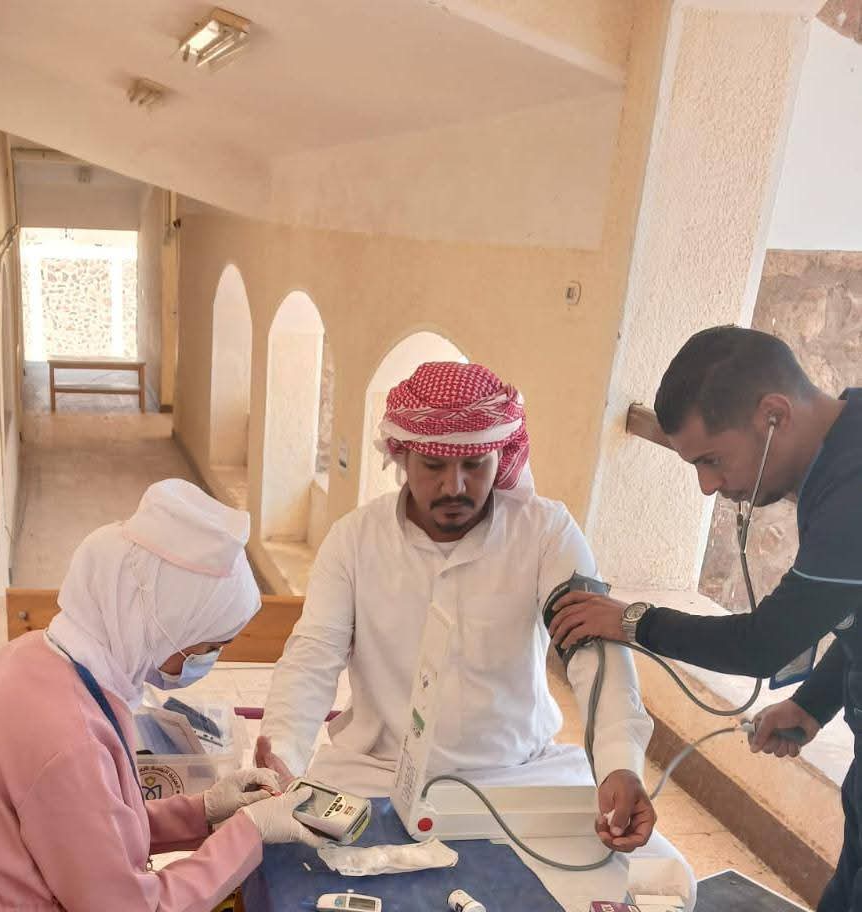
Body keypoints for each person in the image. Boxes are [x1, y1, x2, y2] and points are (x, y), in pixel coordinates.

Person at [255, 361, 686, 864]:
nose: (454, 486)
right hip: (375, 772)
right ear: (401, 455)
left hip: (518, 772)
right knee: (292, 865)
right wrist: (282, 752)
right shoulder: (354, 540)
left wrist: (619, 764)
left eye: (475, 465)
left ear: (501, 456)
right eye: (434, 466)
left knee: (656, 876)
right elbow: (313, 656)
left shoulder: (546, 533)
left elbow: (594, 653)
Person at [548, 326, 862, 911]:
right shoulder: (842, 453)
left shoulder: (854, 487)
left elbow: (762, 644)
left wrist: (632, 621)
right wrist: (815, 702)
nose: (708, 486)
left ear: (773, 415)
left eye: (713, 460)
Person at [0, 479, 322, 912]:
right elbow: (132, 906)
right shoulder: (69, 740)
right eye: (208, 646)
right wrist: (248, 832)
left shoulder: (36, 656)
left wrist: (203, 811)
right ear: (164, 624)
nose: (207, 661)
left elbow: (92, 832)